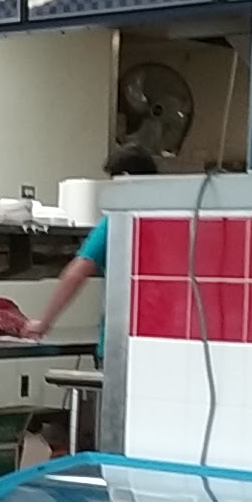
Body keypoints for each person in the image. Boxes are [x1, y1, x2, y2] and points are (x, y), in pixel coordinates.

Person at [23, 143, 159, 352]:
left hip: (121, 341)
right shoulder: (169, 221)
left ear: (125, 178)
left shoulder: (116, 222)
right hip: (162, 338)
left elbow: (76, 273)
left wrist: (44, 322)